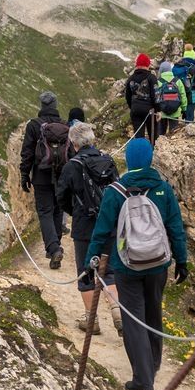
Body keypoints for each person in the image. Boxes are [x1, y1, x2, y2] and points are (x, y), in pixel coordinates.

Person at [83, 138, 188, 390]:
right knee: (154, 314)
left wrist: (90, 261)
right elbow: (175, 227)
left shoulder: (115, 191)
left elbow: (102, 231)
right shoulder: (163, 189)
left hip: (127, 265)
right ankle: (152, 365)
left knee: (133, 320)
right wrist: (182, 261)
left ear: (128, 160)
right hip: (158, 264)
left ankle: (143, 381)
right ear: (150, 159)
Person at [55, 123, 121, 334]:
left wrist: (76, 212)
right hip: (108, 223)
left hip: (84, 225)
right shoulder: (108, 160)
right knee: (108, 270)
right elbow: (118, 189)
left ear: (73, 143)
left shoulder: (71, 166)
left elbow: (61, 198)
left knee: (86, 272)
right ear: (92, 140)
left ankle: (91, 320)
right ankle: (117, 310)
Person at [20, 91, 68, 269]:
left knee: (45, 211)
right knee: (57, 210)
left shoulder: (33, 125)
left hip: (41, 175)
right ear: (55, 105)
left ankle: (54, 248)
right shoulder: (64, 125)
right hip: (62, 175)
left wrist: (24, 175)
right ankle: (54, 246)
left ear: (41, 106)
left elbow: (27, 153)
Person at [124, 53, 157, 141]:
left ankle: (140, 153)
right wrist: (158, 110)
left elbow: (127, 96)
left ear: (137, 65)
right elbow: (156, 96)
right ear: (148, 64)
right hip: (150, 110)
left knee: (138, 136)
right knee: (153, 134)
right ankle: (153, 151)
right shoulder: (151, 77)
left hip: (135, 110)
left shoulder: (130, 79)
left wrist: (133, 107)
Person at [155, 61, 187, 137]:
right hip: (175, 111)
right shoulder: (177, 81)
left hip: (161, 113)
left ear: (161, 70)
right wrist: (184, 109)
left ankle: (161, 146)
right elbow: (183, 95)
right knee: (174, 134)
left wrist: (156, 109)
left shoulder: (158, 82)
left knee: (160, 135)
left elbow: (155, 97)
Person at [174, 45, 195, 122]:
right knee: (190, 115)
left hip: (178, 94)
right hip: (191, 94)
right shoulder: (194, 68)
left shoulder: (178, 66)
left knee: (177, 114)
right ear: (193, 56)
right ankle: (189, 129)